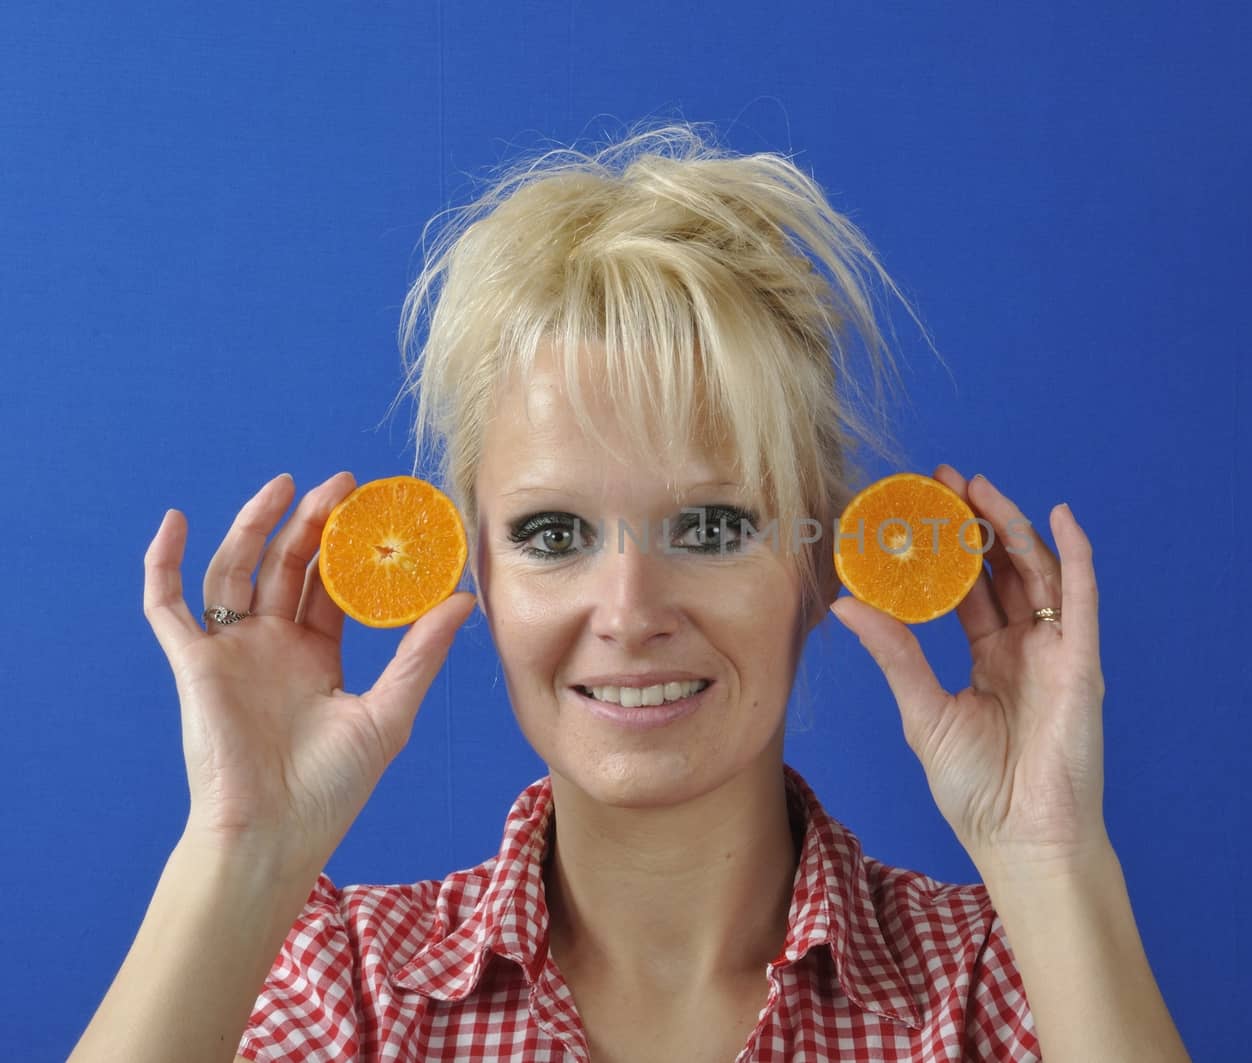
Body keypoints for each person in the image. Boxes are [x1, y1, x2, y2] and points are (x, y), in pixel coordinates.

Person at [68, 121, 1190, 1062]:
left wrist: (1050, 855)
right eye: (553, 532)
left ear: (814, 565)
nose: (628, 606)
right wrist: (239, 848)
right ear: (483, 577)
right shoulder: (344, 985)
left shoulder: (1002, 980)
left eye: (709, 526)